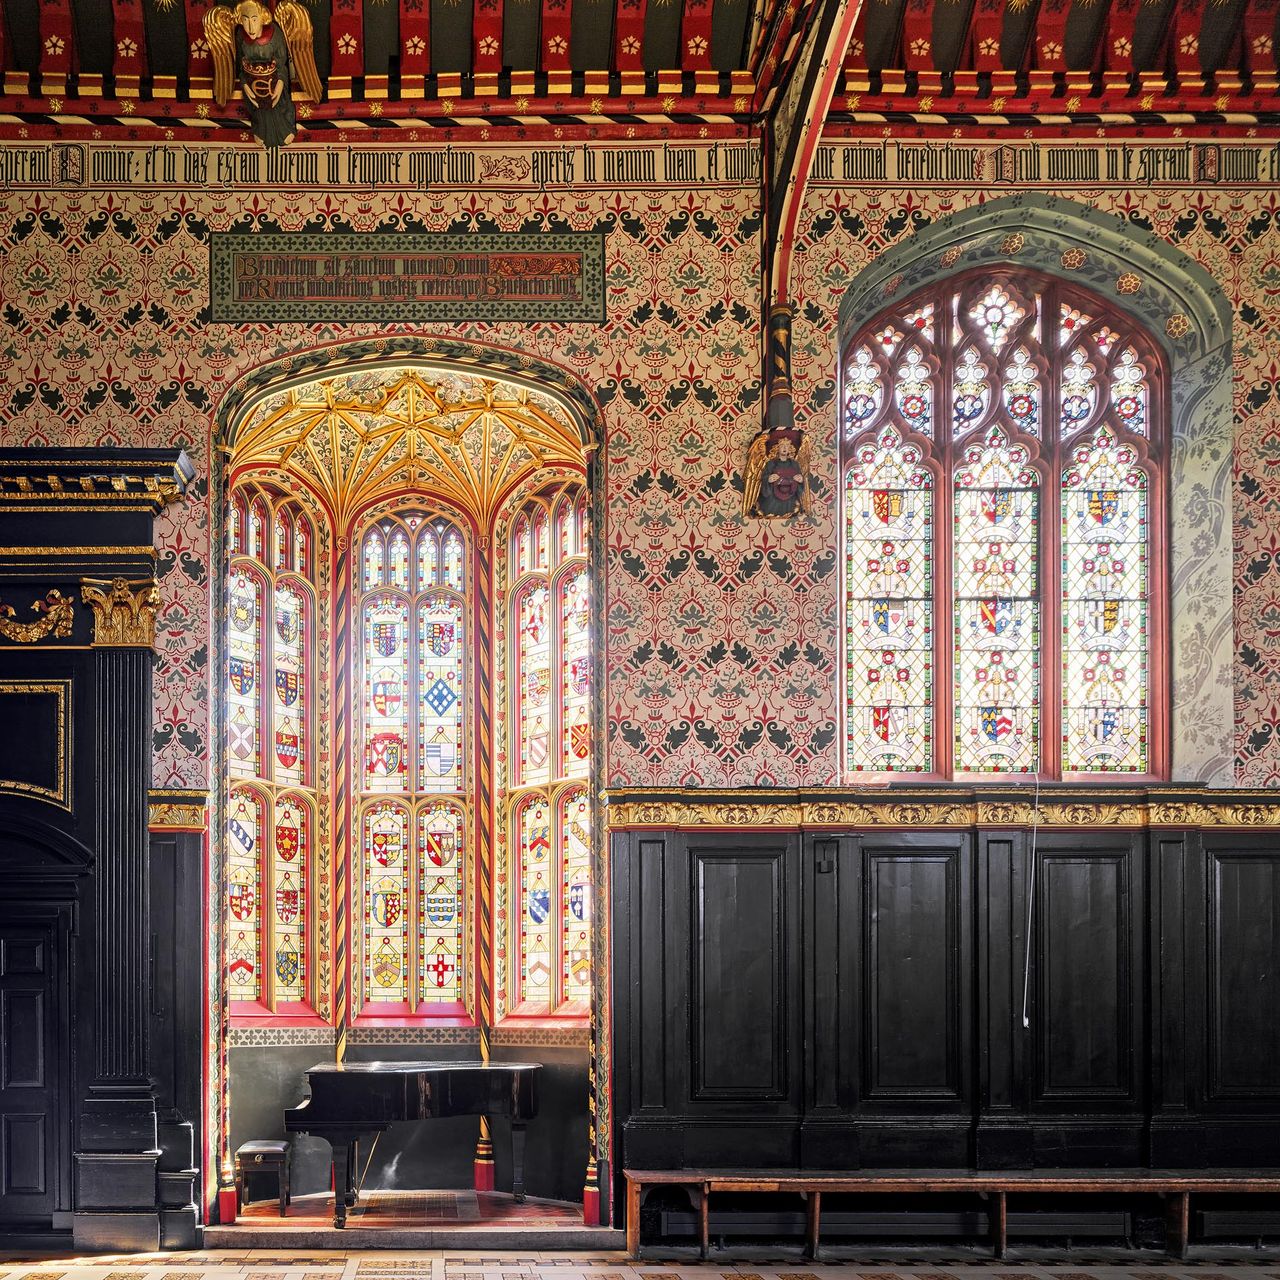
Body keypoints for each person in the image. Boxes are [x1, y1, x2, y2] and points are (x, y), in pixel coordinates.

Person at [234, 0, 298, 149]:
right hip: (252, 83)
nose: (250, 27)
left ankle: (285, 129)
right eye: (245, 20)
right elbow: (240, 66)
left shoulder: (275, 34)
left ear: (262, 18)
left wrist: (280, 84)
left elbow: (282, 65)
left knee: (278, 106)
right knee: (258, 109)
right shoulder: (240, 36)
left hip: (273, 82)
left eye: (254, 20)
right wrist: (245, 85)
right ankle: (260, 130)